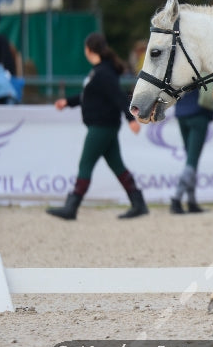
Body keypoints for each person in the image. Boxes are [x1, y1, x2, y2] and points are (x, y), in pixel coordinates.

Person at [47, 32, 148, 220]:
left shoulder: (103, 72)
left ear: (88, 49)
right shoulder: (100, 71)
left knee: (85, 164)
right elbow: (88, 95)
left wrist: (130, 119)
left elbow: (118, 96)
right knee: (117, 165)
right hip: (105, 126)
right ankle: (138, 203)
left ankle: (72, 206)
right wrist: (67, 102)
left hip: (101, 126)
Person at [170, 85, 213, 214]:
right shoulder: (203, 68)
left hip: (181, 113)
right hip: (199, 113)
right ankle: (177, 198)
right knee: (192, 160)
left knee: (190, 160)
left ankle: (191, 201)